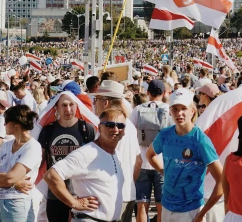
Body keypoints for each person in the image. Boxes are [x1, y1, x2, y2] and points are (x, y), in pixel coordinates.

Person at [146, 88, 223, 222]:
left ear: (192, 111)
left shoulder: (200, 140)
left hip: (191, 211)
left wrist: (201, 214)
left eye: (183, 108)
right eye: (175, 109)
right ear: (170, 111)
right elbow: (150, 155)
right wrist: (164, 171)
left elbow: (222, 180)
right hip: (167, 207)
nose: (179, 113)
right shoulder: (165, 135)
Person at [44, 108, 128, 222]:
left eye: (120, 126)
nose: (116, 129)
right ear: (99, 128)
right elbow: (51, 176)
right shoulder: (87, 153)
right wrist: (74, 203)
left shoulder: (116, 154)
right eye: (110, 124)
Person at [38, 93, 97, 222]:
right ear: (56, 108)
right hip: (56, 194)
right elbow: (39, 160)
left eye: (71, 105)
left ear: (77, 106)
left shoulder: (87, 129)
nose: (68, 109)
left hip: (82, 194)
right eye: (64, 105)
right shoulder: (48, 131)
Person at [0, 105, 41, 222]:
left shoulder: (32, 147)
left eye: (6, 121)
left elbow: (9, 178)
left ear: (16, 123)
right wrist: (13, 182)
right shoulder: (6, 145)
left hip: (16, 204)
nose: (4, 125)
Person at [91, 80, 139, 222]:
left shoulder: (108, 127)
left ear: (105, 102)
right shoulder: (129, 124)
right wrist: (129, 182)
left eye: (96, 99)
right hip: (127, 193)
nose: (94, 103)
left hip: (111, 196)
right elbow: (138, 161)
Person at [130, 79, 171, 222]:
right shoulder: (168, 109)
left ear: (148, 93)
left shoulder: (138, 109)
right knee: (161, 206)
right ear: (164, 93)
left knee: (141, 205)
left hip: (142, 161)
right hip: (161, 162)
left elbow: (129, 132)